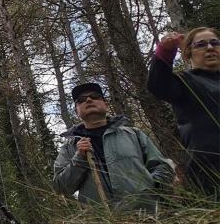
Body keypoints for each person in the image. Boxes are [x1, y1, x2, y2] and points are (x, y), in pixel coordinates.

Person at [53, 82, 175, 212]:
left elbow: (162, 167)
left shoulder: (134, 134)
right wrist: (79, 158)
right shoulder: (69, 148)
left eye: (95, 96)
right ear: (77, 111)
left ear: (106, 105)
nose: (89, 100)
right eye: (81, 100)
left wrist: (151, 190)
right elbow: (60, 187)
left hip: (145, 217)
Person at [148, 27, 220, 199]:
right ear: (188, 54)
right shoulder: (184, 82)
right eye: (200, 45)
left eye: (214, 42)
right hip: (209, 172)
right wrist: (164, 51)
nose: (210, 48)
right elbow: (158, 86)